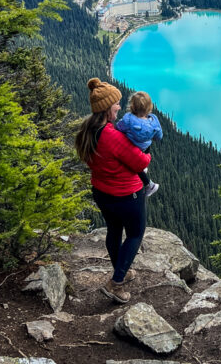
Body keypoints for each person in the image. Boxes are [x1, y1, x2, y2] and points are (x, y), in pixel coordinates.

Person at [74, 78, 151, 303]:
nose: (119, 106)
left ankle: (122, 271)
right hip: (126, 195)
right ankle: (116, 284)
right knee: (136, 233)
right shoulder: (112, 136)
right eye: (116, 104)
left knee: (114, 231)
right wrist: (148, 155)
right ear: (107, 108)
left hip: (102, 193)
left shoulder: (89, 131)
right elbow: (140, 162)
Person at [115, 91, 163, 198]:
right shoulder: (153, 120)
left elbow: (118, 128)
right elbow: (159, 137)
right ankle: (144, 166)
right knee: (145, 146)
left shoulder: (128, 119)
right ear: (149, 107)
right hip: (146, 149)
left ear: (132, 106)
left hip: (133, 151)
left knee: (132, 164)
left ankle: (150, 185)